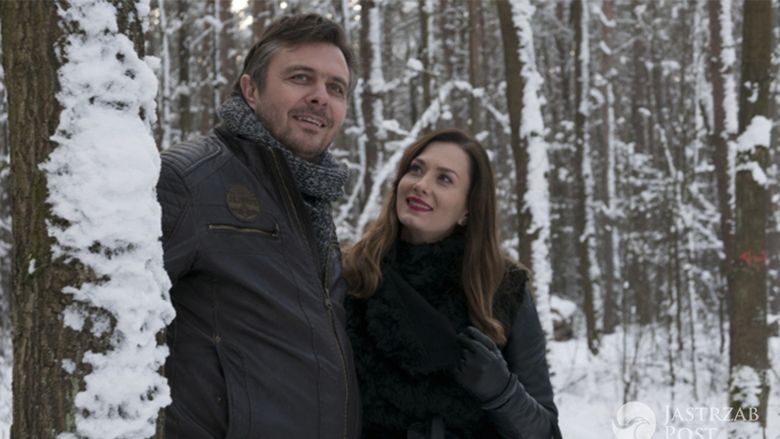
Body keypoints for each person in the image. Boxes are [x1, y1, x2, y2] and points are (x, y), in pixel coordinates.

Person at [156, 14, 360, 439]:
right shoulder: (190, 181)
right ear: (251, 90)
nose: (320, 97)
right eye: (301, 78)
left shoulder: (313, 200)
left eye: (336, 88)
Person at [342, 128, 562, 438]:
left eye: (444, 179)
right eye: (416, 169)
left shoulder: (502, 288)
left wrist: (502, 391)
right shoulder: (352, 274)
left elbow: (545, 432)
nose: (421, 184)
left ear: (468, 209)